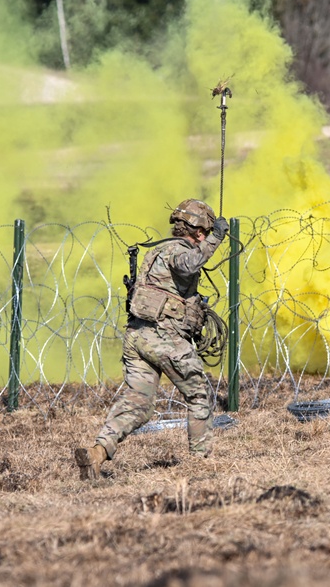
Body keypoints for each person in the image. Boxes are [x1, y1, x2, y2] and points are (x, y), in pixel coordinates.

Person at [75, 198, 229, 480]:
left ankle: (97, 453)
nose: (205, 237)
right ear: (197, 231)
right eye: (205, 232)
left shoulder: (156, 252)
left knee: (138, 404)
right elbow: (190, 264)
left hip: (137, 337)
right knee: (198, 394)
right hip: (162, 337)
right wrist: (218, 237)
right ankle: (201, 462)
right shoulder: (179, 251)